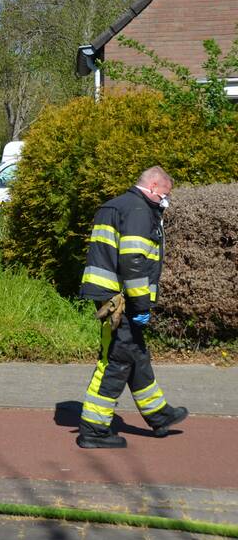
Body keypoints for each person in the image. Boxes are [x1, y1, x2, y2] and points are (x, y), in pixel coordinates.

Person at [75, 166, 188, 449]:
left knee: (134, 353)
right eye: (164, 195)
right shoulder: (138, 210)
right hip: (122, 299)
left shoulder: (115, 205)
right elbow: (133, 262)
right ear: (152, 185)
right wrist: (141, 304)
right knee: (117, 360)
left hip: (109, 295)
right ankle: (94, 430)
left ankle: (159, 415)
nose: (165, 201)